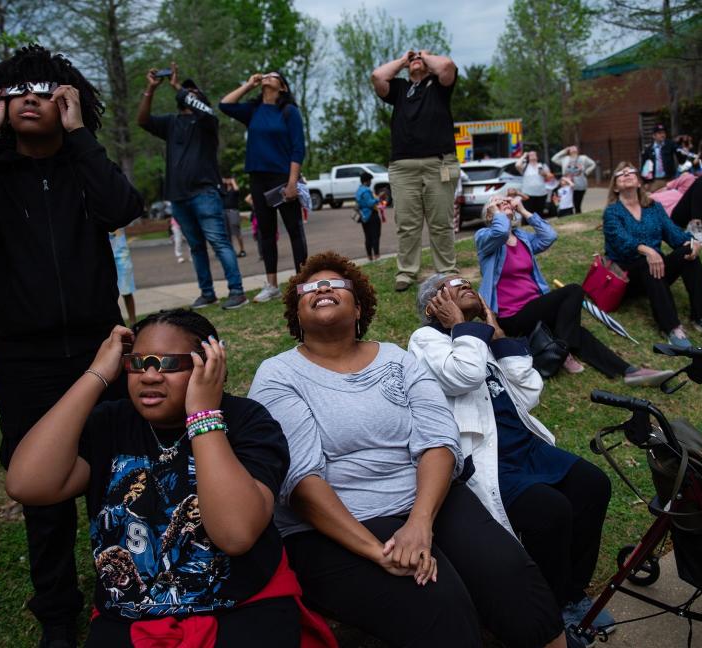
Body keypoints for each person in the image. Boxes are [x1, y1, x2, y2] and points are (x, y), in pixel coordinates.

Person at [0, 44, 143, 647]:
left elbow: (123, 207)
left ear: (68, 101)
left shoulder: (81, 165)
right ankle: (56, 615)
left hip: (101, 351)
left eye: (47, 90)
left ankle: (123, 587)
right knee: (43, 490)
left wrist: (79, 138)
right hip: (25, 360)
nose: (31, 99)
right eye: (17, 90)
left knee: (113, 475)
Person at [249, 251, 582, 648]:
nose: (322, 287)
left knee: (509, 574)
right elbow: (301, 480)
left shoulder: (397, 358)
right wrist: (378, 552)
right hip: (339, 524)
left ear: (359, 308)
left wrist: (420, 522)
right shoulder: (278, 375)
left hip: (430, 499)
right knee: (439, 604)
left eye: (337, 284)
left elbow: (439, 440)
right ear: (296, 314)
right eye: (310, 287)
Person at [5, 309, 336, 647]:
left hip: (239, 606)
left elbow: (236, 534)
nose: (149, 375)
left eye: (168, 363)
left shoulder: (248, 421)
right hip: (130, 617)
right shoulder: (111, 423)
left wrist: (203, 417)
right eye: (138, 363)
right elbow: (27, 485)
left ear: (208, 363)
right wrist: (97, 374)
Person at [408, 273, 617, 633]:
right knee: (549, 512)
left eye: (468, 280)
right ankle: (551, 603)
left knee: (593, 485)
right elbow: (463, 376)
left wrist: (502, 342)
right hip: (489, 456)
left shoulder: (479, 340)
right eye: (456, 283)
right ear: (434, 304)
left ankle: (571, 591)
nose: (468, 284)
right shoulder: (425, 339)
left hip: (526, 446)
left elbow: (529, 393)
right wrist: (461, 327)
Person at [475, 196, 672, 385]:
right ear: (491, 215)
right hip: (513, 315)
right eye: (497, 203)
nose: (503, 202)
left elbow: (549, 236)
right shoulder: (484, 238)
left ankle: (629, 371)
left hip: (537, 307)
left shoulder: (522, 237)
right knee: (574, 290)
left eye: (504, 201)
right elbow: (499, 233)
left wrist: (525, 211)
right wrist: (495, 212)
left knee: (578, 332)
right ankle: (562, 349)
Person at [137, 63, 248, 310]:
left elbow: (206, 111)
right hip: (179, 197)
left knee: (219, 242)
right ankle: (207, 293)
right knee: (196, 247)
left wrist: (178, 86)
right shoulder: (171, 123)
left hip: (205, 193)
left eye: (192, 91)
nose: (188, 94)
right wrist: (151, 89)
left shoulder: (207, 122)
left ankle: (237, 292)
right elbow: (142, 120)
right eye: (185, 92)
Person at [603, 162, 702, 349]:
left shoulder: (654, 208)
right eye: (621, 173)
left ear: (638, 182)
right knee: (647, 261)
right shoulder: (612, 213)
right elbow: (621, 242)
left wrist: (692, 242)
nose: (626, 174)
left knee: (687, 252)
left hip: (657, 270)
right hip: (628, 277)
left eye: (631, 171)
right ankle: (670, 327)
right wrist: (647, 250)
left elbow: (674, 234)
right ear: (615, 186)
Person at [372, 49, 460, 292]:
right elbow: (378, 77)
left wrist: (423, 54)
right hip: (403, 167)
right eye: (413, 60)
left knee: (441, 221)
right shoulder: (399, 89)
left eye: (421, 59)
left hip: (439, 163)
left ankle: (447, 270)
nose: (416, 61)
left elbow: (447, 66)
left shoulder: (440, 86)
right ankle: (407, 272)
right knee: (407, 224)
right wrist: (404, 60)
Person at [220, 71, 307, 303]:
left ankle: (303, 283)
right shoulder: (254, 111)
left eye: (273, 75)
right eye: (265, 75)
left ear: (283, 87)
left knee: (294, 231)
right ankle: (272, 285)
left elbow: (298, 148)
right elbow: (225, 105)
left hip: (282, 177)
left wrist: (292, 182)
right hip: (258, 179)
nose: (267, 76)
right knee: (266, 234)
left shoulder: (289, 111)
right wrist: (248, 85)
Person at [551, 146, 596, 214]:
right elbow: (553, 159)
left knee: (577, 204)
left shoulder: (583, 158)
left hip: (580, 185)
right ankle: (569, 217)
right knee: (568, 205)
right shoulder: (565, 159)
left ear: (577, 150)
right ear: (569, 151)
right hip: (567, 186)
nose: (573, 148)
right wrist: (564, 151)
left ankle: (578, 216)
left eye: (574, 147)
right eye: (571, 148)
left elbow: (593, 164)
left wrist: (586, 172)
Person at [640, 124, 682, 191]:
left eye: (664, 133)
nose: (662, 135)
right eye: (659, 133)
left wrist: (680, 145)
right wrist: (645, 182)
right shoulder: (648, 149)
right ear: (654, 136)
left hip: (669, 179)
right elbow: (644, 166)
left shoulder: (669, 145)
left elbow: (680, 155)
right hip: (655, 180)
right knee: (654, 198)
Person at [110, 228, 137, 324]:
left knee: (127, 290)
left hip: (121, 251)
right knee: (106, 292)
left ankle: (133, 323)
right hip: (100, 253)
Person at [355, 171, 381, 261]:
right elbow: (370, 203)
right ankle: (377, 256)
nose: (371, 182)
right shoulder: (366, 191)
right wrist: (378, 198)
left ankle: (369, 257)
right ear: (366, 181)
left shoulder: (359, 190)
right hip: (371, 215)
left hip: (364, 216)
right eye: (370, 180)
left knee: (368, 237)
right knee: (375, 236)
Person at [516, 150, 550, 218]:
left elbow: (548, 176)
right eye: (530, 155)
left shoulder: (542, 165)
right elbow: (517, 165)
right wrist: (524, 155)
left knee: (539, 213)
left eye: (534, 154)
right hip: (528, 194)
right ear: (528, 157)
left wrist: (544, 173)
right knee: (528, 213)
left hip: (541, 193)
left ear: (537, 157)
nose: (532, 155)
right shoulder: (525, 166)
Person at [221, 176, 246, 257]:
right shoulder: (223, 190)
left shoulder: (234, 189)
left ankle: (242, 250)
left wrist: (232, 181)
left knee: (237, 232)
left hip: (233, 211)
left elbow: (237, 190)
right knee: (227, 233)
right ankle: (231, 251)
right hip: (224, 212)